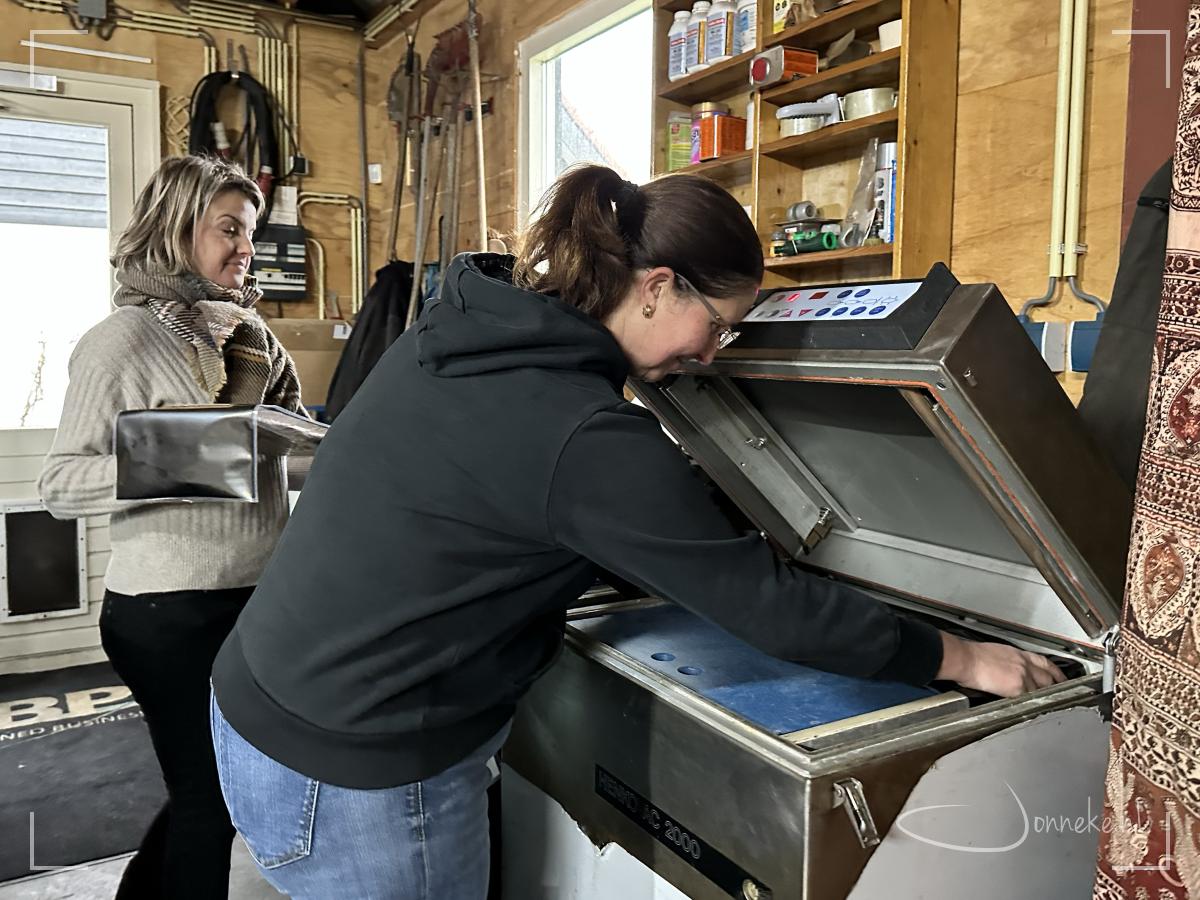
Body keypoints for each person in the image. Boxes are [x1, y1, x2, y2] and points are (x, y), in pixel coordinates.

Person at [209, 165, 1063, 899]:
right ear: (656, 286)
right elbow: (776, 613)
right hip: (358, 772)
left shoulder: (465, 327)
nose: (715, 353)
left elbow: (490, 503)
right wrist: (969, 658)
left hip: (259, 701)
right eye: (719, 324)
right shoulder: (583, 436)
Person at [38, 155, 306, 900]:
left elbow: (281, 456)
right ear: (174, 228)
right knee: (211, 800)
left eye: (249, 232)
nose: (245, 249)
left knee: (215, 789)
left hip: (253, 599)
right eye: (229, 229)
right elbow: (59, 483)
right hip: (167, 613)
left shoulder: (252, 338)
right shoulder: (120, 341)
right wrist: (189, 457)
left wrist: (333, 452)